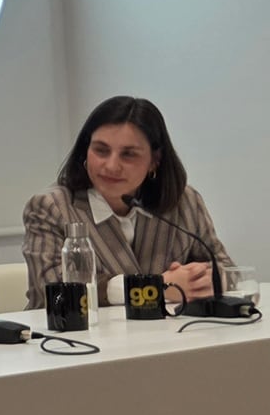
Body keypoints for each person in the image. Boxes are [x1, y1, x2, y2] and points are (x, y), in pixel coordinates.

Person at [22, 96, 232, 309]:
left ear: (154, 161)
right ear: (85, 151)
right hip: (71, 338)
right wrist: (157, 287)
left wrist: (205, 280)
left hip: (167, 336)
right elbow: (53, 290)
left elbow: (227, 271)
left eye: (128, 154)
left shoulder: (185, 202)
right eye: (101, 150)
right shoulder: (51, 207)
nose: (112, 166)